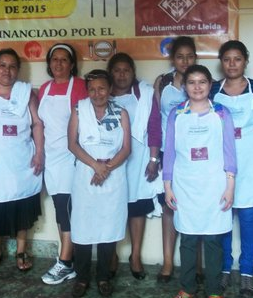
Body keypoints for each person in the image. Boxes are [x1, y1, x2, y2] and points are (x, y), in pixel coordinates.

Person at [163, 64, 236, 298]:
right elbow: (170, 153)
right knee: (188, 238)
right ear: (185, 86)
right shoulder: (176, 114)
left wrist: (230, 186)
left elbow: (229, 152)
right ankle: (187, 288)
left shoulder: (222, 112)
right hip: (185, 185)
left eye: (202, 82)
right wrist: (167, 186)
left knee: (214, 240)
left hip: (215, 185)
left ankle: (215, 291)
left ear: (210, 84)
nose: (197, 87)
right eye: (192, 82)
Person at [211, 40, 253, 296]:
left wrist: (244, 136)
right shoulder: (213, 88)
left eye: (237, 59)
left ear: (245, 61)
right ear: (221, 62)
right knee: (223, 217)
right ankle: (225, 269)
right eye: (227, 59)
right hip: (218, 163)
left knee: (248, 218)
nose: (232, 64)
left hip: (250, 161)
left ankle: (247, 272)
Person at [0, 48, 44, 273]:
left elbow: (37, 124)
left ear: (18, 70)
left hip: (22, 160)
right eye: (2, 65)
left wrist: (39, 152)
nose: (7, 70)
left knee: (22, 204)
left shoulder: (26, 92)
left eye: (12, 66)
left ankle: (22, 250)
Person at [68, 70, 131, 298]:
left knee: (109, 227)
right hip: (86, 176)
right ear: (87, 91)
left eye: (102, 88)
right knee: (83, 228)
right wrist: (96, 166)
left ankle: (103, 276)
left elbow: (126, 149)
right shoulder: (78, 110)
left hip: (113, 178)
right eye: (92, 89)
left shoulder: (121, 113)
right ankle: (82, 277)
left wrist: (107, 168)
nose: (97, 93)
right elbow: (72, 144)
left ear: (110, 89)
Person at [107, 53, 162, 280]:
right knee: (110, 207)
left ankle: (135, 255)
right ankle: (110, 256)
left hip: (138, 160)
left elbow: (154, 127)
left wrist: (153, 159)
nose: (122, 75)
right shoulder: (102, 94)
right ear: (111, 73)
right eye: (117, 70)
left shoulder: (145, 94)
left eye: (126, 70)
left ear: (133, 72)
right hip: (109, 161)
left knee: (137, 207)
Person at [38, 43, 87, 285]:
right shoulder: (45, 89)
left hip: (71, 157)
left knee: (66, 208)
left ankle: (65, 262)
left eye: (64, 59)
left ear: (72, 64)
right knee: (60, 209)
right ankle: (67, 259)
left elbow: (86, 122)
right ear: (49, 64)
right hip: (51, 158)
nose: (58, 64)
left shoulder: (79, 86)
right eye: (54, 59)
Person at [153, 36, 197, 282]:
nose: (185, 61)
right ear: (173, 59)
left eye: (190, 56)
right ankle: (168, 263)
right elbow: (155, 120)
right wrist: (155, 155)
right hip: (168, 155)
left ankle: (198, 266)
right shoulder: (163, 82)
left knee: (196, 205)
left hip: (195, 155)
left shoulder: (202, 81)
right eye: (180, 56)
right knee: (169, 207)